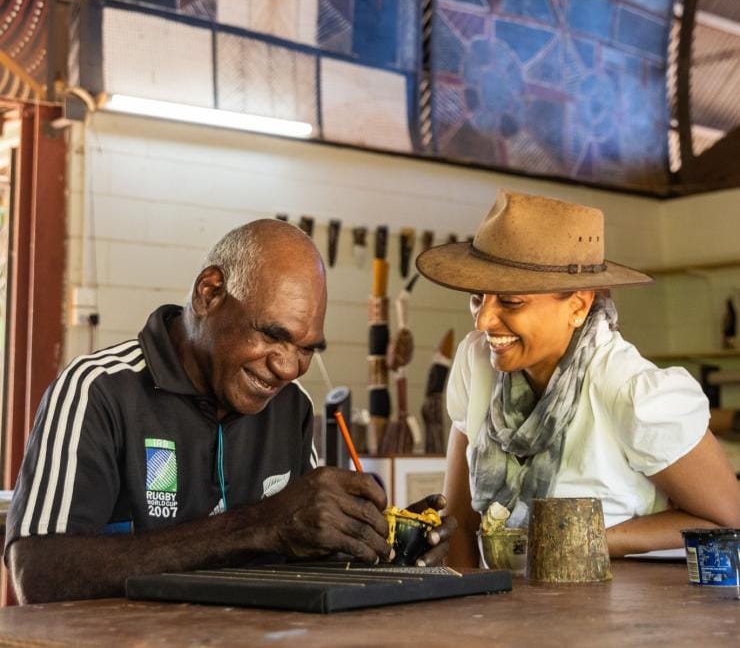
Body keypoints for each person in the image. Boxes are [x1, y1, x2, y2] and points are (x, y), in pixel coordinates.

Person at [6, 219, 454, 602]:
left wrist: (377, 538)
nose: (287, 367)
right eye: (272, 335)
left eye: (306, 350)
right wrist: (259, 525)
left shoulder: (290, 408)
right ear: (210, 293)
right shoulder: (99, 392)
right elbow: (38, 573)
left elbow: (301, 541)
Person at [416, 190, 740, 568]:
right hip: (509, 613)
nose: (483, 320)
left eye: (510, 301)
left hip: (625, 610)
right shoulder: (477, 363)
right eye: (477, 297)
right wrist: (469, 614)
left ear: (578, 305)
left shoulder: (628, 389)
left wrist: (587, 539)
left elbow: (727, 518)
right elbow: (461, 523)